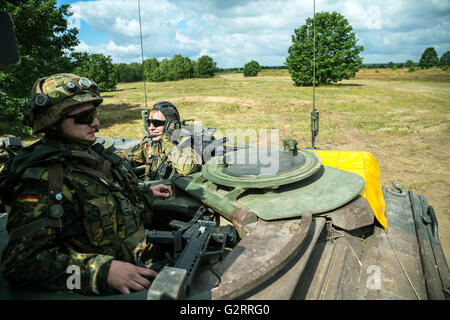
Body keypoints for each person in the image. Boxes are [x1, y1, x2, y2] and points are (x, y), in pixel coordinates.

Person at [0, 73, 172, 295]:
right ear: (53, 120)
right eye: (85, 117)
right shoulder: (49, 179)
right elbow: (23, 263)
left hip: (135, 258)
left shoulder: (87, 154)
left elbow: (108, 199)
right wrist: (101, 271)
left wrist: (145, 192)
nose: (96, 123)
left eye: (95, 113)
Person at [118, 101, 200, 181]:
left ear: (171, 126)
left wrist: (168, 141)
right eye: (149, 123)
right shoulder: (152, 143)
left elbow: (187, 169)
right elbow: (132, 155)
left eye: (156, 123)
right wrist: (113, 157)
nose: (151, 128)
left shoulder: (184, 143)